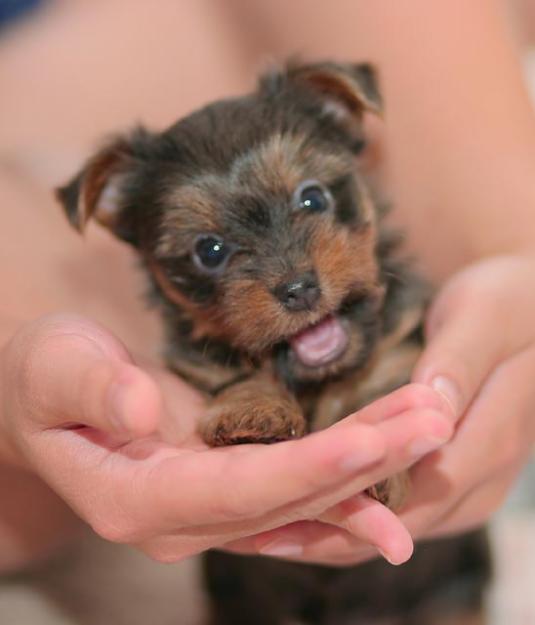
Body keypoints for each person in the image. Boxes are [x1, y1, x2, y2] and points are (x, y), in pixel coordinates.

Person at [0, 0, 534, 573]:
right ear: (116, 219)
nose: (292, 276)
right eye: (212, 253)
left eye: (312, 201)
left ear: (347, 119)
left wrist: (517, 258)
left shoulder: (406, 313)